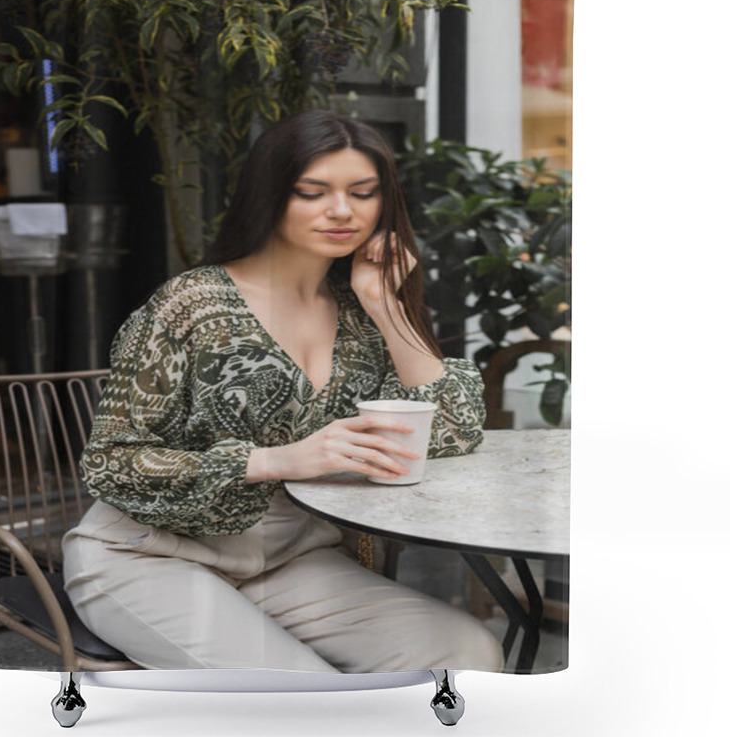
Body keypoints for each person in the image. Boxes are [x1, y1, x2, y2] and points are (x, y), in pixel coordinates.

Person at [62, 109, 504, 674]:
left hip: (292, 560)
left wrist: (388, 309)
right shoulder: (192, 304)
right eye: (312, 192)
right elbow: (110, 464)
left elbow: (453, 430)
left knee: (465, 653)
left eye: (363, 193)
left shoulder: (360, 309)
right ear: (271, 195)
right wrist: (277, 460)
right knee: (301, 694)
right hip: (149, 555)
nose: (342, 211)